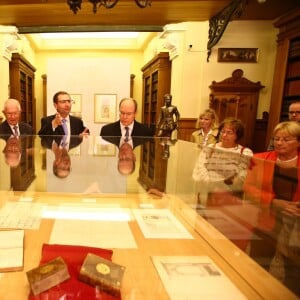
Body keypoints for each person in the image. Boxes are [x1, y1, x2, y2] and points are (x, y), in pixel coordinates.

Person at [243, 121, 300, 295]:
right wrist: (273, 201)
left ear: (298, 142)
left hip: (296, 223)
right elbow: (249, 187)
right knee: (258, 262)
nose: (280, 143)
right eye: (277, 139)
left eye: (286, 139)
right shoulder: (260, 158)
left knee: (292, 267)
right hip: (266, 217)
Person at [193, 117, 253, 205]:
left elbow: (241, 176)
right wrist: (212, 187)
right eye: (223, 131)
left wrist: (223, 189)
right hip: (207, 193)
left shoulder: (245, 152)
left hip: (230, 196)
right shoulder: (210, 148)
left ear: (238, 135)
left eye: (229, 132)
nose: (224, 135)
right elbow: (200, 168)